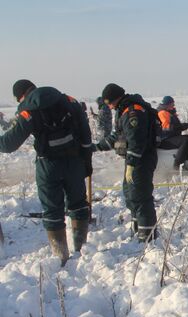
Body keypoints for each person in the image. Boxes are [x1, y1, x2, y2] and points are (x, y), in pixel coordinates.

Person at [0, 80, 93, 265]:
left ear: (21, 96)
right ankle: (82, 250)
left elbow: (8, 145)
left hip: (47, 165)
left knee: (52, 212)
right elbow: (85, 133)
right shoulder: (68, 100)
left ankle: (61, 257)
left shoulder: (29, 110)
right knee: (79, 205)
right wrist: (86, 161)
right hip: (74, 161)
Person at [95, 83, 158, 242]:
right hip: (133, 160)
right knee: (130, 195)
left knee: (140, 196)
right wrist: (96, 147)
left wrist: (131, 163)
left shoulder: (133, 112)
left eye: (108, 103)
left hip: (140, 160)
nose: (108, 107)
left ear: (113, 100)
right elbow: (117, 136)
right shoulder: (123, 111)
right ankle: (138, 230)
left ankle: (148, 237)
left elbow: (136, 141)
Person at [157, 96, 188, 170]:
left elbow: (175, 125)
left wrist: (184, 125)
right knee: (186, 141)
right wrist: (180, 126)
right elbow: (165, 127)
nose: (173, 106)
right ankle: (177, 164)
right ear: (167, 104)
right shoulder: (162, 113)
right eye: (172, 104)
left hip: (172, 137)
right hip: (165, 139)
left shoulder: (169, 112)